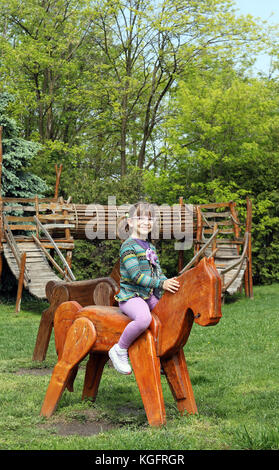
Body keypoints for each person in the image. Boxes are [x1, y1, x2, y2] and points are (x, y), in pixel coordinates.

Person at [108, 202, 180, 375]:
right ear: (131, 222)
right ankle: (119, 349)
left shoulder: (150, 247)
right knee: (143, 319)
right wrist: (160, 284)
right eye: (141, 218)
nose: (146, 222)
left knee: (168, 317)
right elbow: (136, 276)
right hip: (131, 297)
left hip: (148, 296)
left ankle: (161, 355)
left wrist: (168, 282)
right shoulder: (128, 246)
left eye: (150, 218)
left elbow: (158, 273)